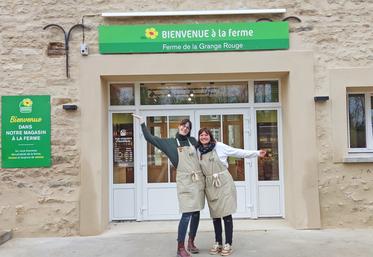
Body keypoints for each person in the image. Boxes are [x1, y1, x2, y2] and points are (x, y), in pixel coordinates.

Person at [132, 114, 205, 257]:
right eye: (183, 125)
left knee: (196, 213)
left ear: (190, 130)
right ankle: (180, 247)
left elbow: (206, 149)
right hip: (184, 182)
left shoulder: (193, 141)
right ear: (178, 127)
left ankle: (191, 241)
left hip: (197, 181)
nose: (185, 128)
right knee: (186, 214)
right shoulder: (170, 143)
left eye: (188, 127)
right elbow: (150, 138)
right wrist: (142, 123)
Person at [196, 128, 266, 256]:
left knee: (226, 213)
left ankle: (228, 243)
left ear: (210, 136)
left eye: (206, 135)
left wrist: (256, 153)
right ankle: (218, 242)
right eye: (201, 135)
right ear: (199, 137)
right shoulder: (197, 150)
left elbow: (237, 152)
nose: (204, 137)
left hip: (224, 183)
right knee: (215, 215)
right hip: (210, 184)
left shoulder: (219, 146)